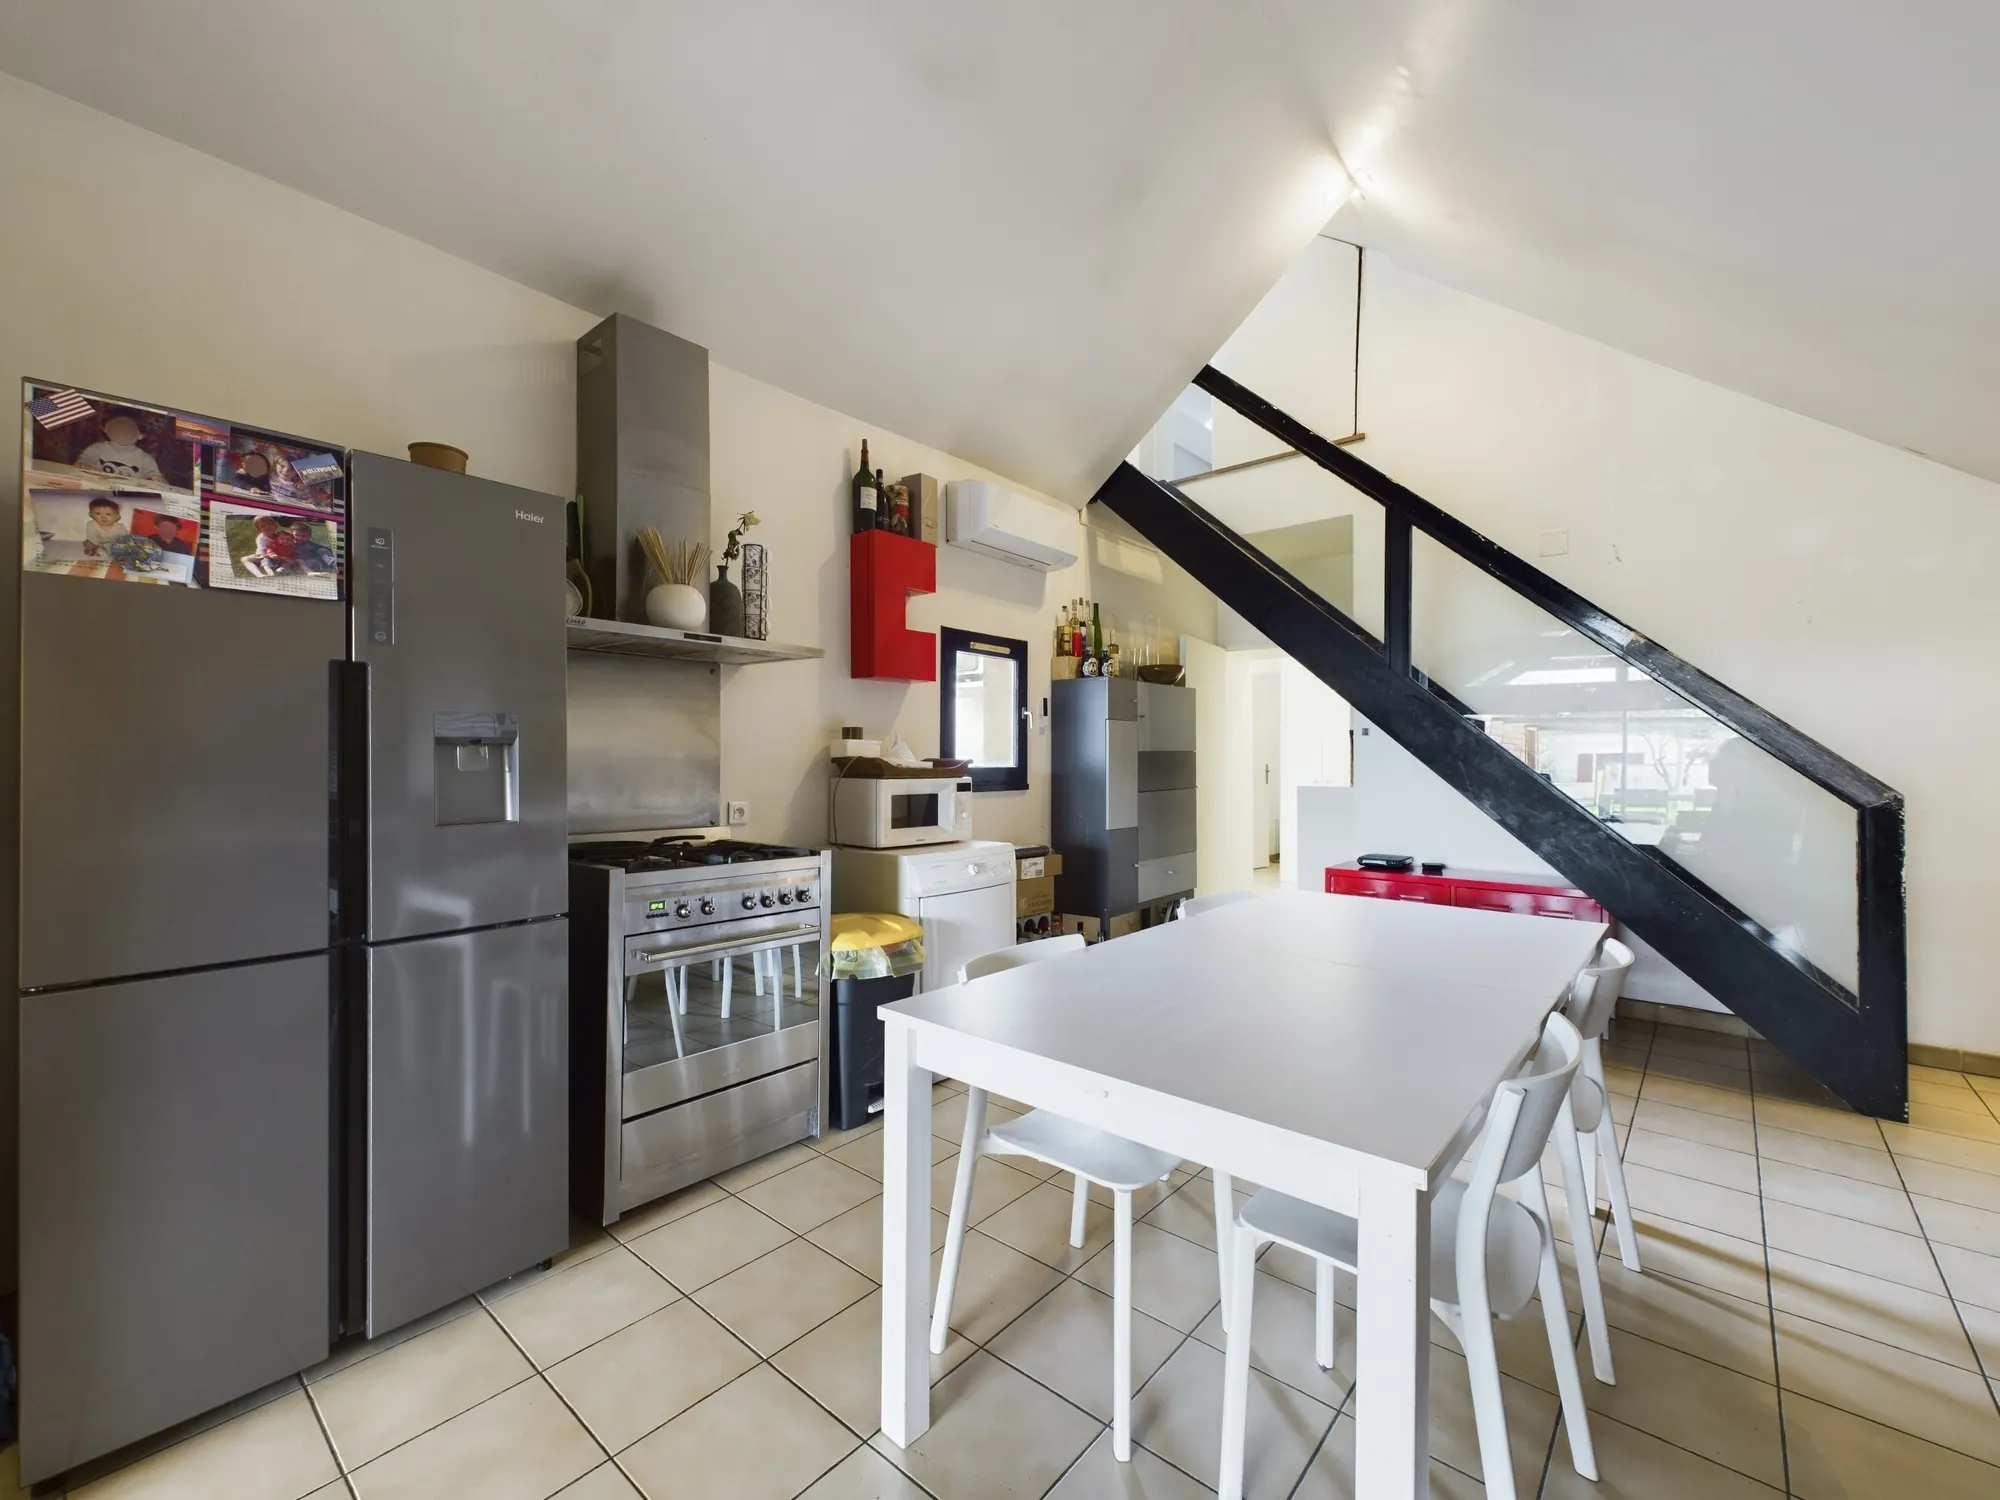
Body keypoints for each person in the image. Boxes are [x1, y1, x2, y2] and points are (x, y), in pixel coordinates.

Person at [77, 413, 163, 482]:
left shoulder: (146, 459)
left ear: (140, 435)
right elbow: (81, 464)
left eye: (128, 429)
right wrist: (83, 465)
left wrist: (157, 480)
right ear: (105, 429)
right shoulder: (96, 449)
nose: (122, 431)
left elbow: (156, 479)